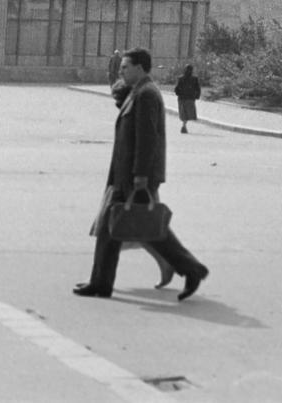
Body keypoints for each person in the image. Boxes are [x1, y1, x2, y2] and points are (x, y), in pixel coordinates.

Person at [75, 48, 209, 301]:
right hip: (126, 172)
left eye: (125, 67)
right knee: (114, 227)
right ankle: (100, 282)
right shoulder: (138, 91)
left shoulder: (147, 94)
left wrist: (140, 175)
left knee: (146, 228)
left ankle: (191, 268)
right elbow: (118, 95)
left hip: (135, 175)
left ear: (140, 68)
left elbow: (148, 138)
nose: (121, 71)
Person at [109, 73, 176, 289]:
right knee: (138, 227)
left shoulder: (142, 105)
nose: (119, 107)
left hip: (137, 179)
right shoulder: (137, 106)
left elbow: (145, 146)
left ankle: (173, 262)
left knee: (137, 227)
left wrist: (140, 177)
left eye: (120, 103)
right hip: (131, 178)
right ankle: (169, 262)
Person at [174, 64, 202, 134]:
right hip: (190, 98)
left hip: (183, 98)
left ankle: (184, 125)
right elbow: (198, 89)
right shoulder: (194, 78)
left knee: (184, 113)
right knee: (187, 113)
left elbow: (176, 89)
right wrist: (197, 96)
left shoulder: (181, 78)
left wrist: (178, 94)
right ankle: (184, 126)